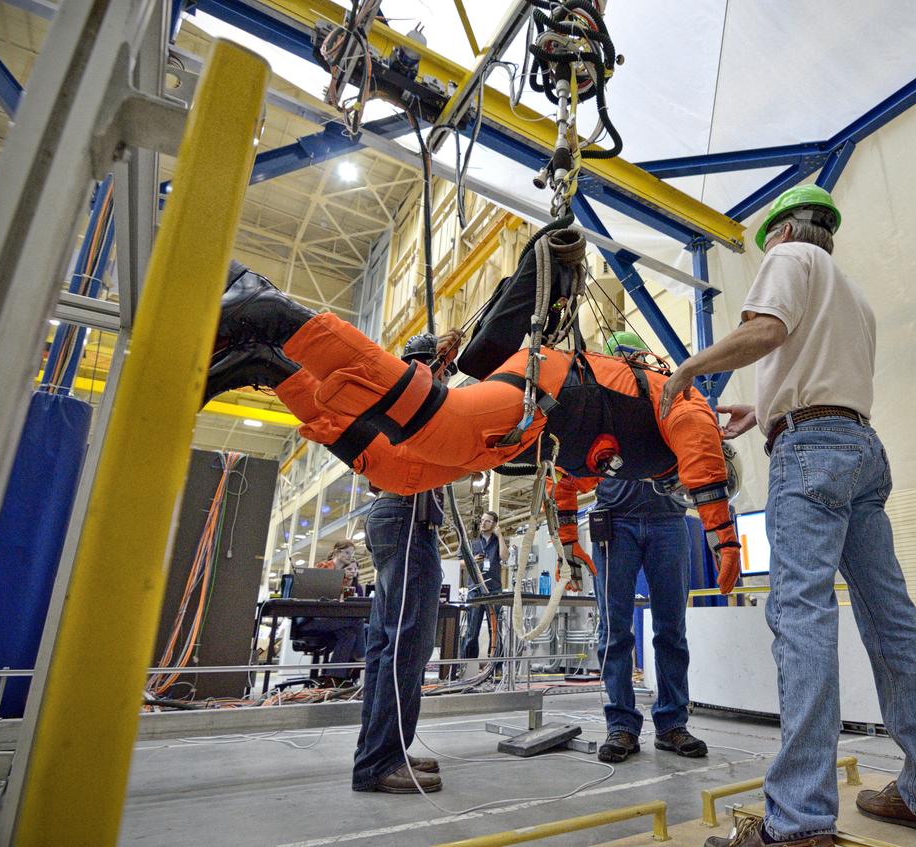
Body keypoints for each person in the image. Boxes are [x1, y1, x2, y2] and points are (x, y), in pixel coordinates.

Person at [660, 186, 916, 846]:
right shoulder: (848, 293)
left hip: (810, 454)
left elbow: (766, 331)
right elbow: (813, 366)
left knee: (800, 615)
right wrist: (760, 411)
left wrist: (691, 366)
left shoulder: (786, 257)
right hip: (860, 449)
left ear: (783, 231)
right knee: (892, 619)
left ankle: (797, 818)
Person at [202, 258, 743, 589]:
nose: (678, 490)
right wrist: (722, 533)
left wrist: (572, 542)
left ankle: (270, 365)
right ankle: (274, 314)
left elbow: (570, 481)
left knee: (400, 472)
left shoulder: (641, 465)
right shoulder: (688, 408)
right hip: (549, 387)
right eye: (687, 490)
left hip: (532, 432)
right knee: (442, 425)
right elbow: (699, 442)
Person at [589, 332, 707, 764]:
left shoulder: (668, 390)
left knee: (671, 628)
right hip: (614, 523)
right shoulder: (597, 398)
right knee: (614, 630)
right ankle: (621, 724)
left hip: (667, 521)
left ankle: (673, 723)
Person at [353, 486, 445, 794]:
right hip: (408, 515)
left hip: (393, 512)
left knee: (385, 645)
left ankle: (377, 754)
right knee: (409, 643)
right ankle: (382, 762)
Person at [296, 539, 364, 682]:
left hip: (331, 619)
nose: (349, 556)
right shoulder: (323, 567)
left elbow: (343, 600)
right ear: (337, 551)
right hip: (314, 620)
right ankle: (360, 655)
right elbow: (315, 594)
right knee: (357, 620)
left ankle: (333, 678)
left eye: (351, 554)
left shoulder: (345, 577)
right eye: (347, 552)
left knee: (350, 635)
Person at [460, 510, 506, 668]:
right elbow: (460, 562)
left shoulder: (497, 541)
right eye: (482, 520)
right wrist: (472, 560)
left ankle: (495, 668)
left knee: (496, 630)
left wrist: (500, 536)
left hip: (493, 589)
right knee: (472, 631)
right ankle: (467, 667)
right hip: (475, 589)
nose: (483, 523)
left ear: (494, 524)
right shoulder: (471, 540)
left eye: (487, 521)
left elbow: (505, 557)